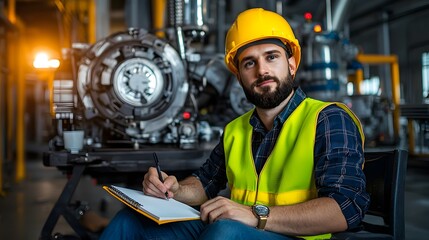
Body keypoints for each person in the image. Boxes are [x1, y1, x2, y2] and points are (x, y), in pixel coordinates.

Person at [99, 8, 369, 240]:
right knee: (129, 222)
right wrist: (175, 189)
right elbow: (205, 183)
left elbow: (345, 207)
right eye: (249, 63)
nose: (262, 70)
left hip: (298, 236)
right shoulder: (236, 129)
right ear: (239, 76)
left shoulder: (328, 118)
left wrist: (255, 215)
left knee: (224, 232)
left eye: (271, 57)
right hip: (242, 230)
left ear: (292, 64)